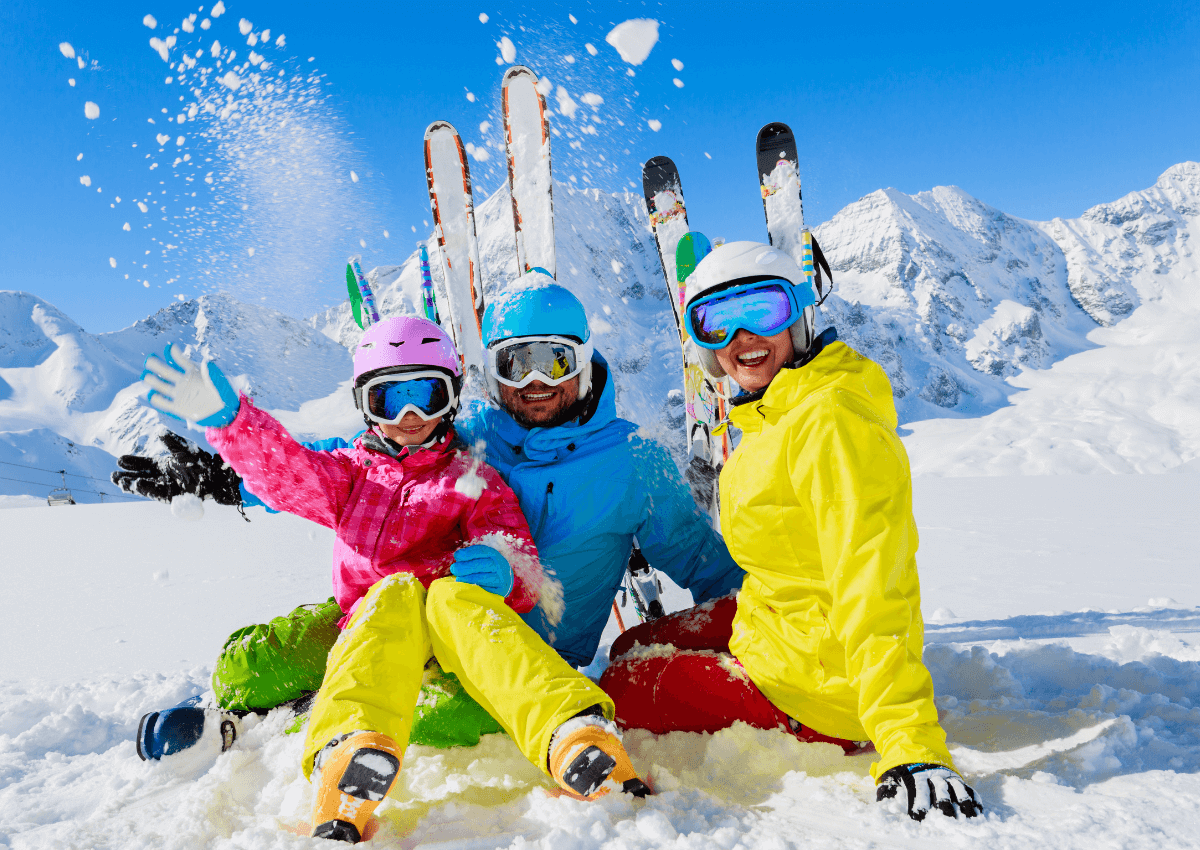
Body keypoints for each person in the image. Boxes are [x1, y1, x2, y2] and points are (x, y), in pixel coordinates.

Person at [123, 279, 739, 749]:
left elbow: (702, 563)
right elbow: (331, 477)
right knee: (272, 658)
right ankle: (285, 696)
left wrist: (758, 626)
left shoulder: (636, 464)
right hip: (394, 626)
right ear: (486, 376)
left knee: (438, 713)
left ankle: (302, 723)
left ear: (583, 359)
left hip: (522, 656)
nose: (533, 383)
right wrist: (223, 474)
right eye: (512, 364)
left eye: (553, 361)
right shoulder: (462, 439)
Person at [137, 316, 649, 843]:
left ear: (450, 397)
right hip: (366, 627)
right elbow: (289, 475)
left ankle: (572, 733)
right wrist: (233, 422)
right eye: (390, 399)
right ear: (365, 405)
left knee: (446, 610)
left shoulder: (471, 478)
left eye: (426, 395)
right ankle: (330, 735)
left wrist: (503, 567)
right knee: (289, 647)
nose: (409, 416)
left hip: (453, 638)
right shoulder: (349, 474)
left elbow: (518, 555)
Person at [598, 241, 983, 823]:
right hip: (778, 623)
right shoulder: (777, 407)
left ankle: (823, 718)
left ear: (799, 314)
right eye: (717, 322)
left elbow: (875, 580)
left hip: (818, 685)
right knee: (628, 645)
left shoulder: (828, 421)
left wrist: (908, 739)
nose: (741, 339)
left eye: (762, 311)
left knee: (624, 684)